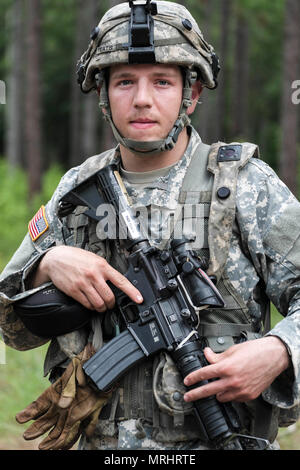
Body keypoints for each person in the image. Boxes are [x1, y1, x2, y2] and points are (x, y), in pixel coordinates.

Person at [0, 0, 299, 451]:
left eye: (162, 81)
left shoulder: (243, 184)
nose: (142, 99)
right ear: (104, 95)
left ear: (191, 94)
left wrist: (278, 351)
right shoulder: (77, 191)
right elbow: (10, 325)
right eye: (124, 82)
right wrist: (48, 263)